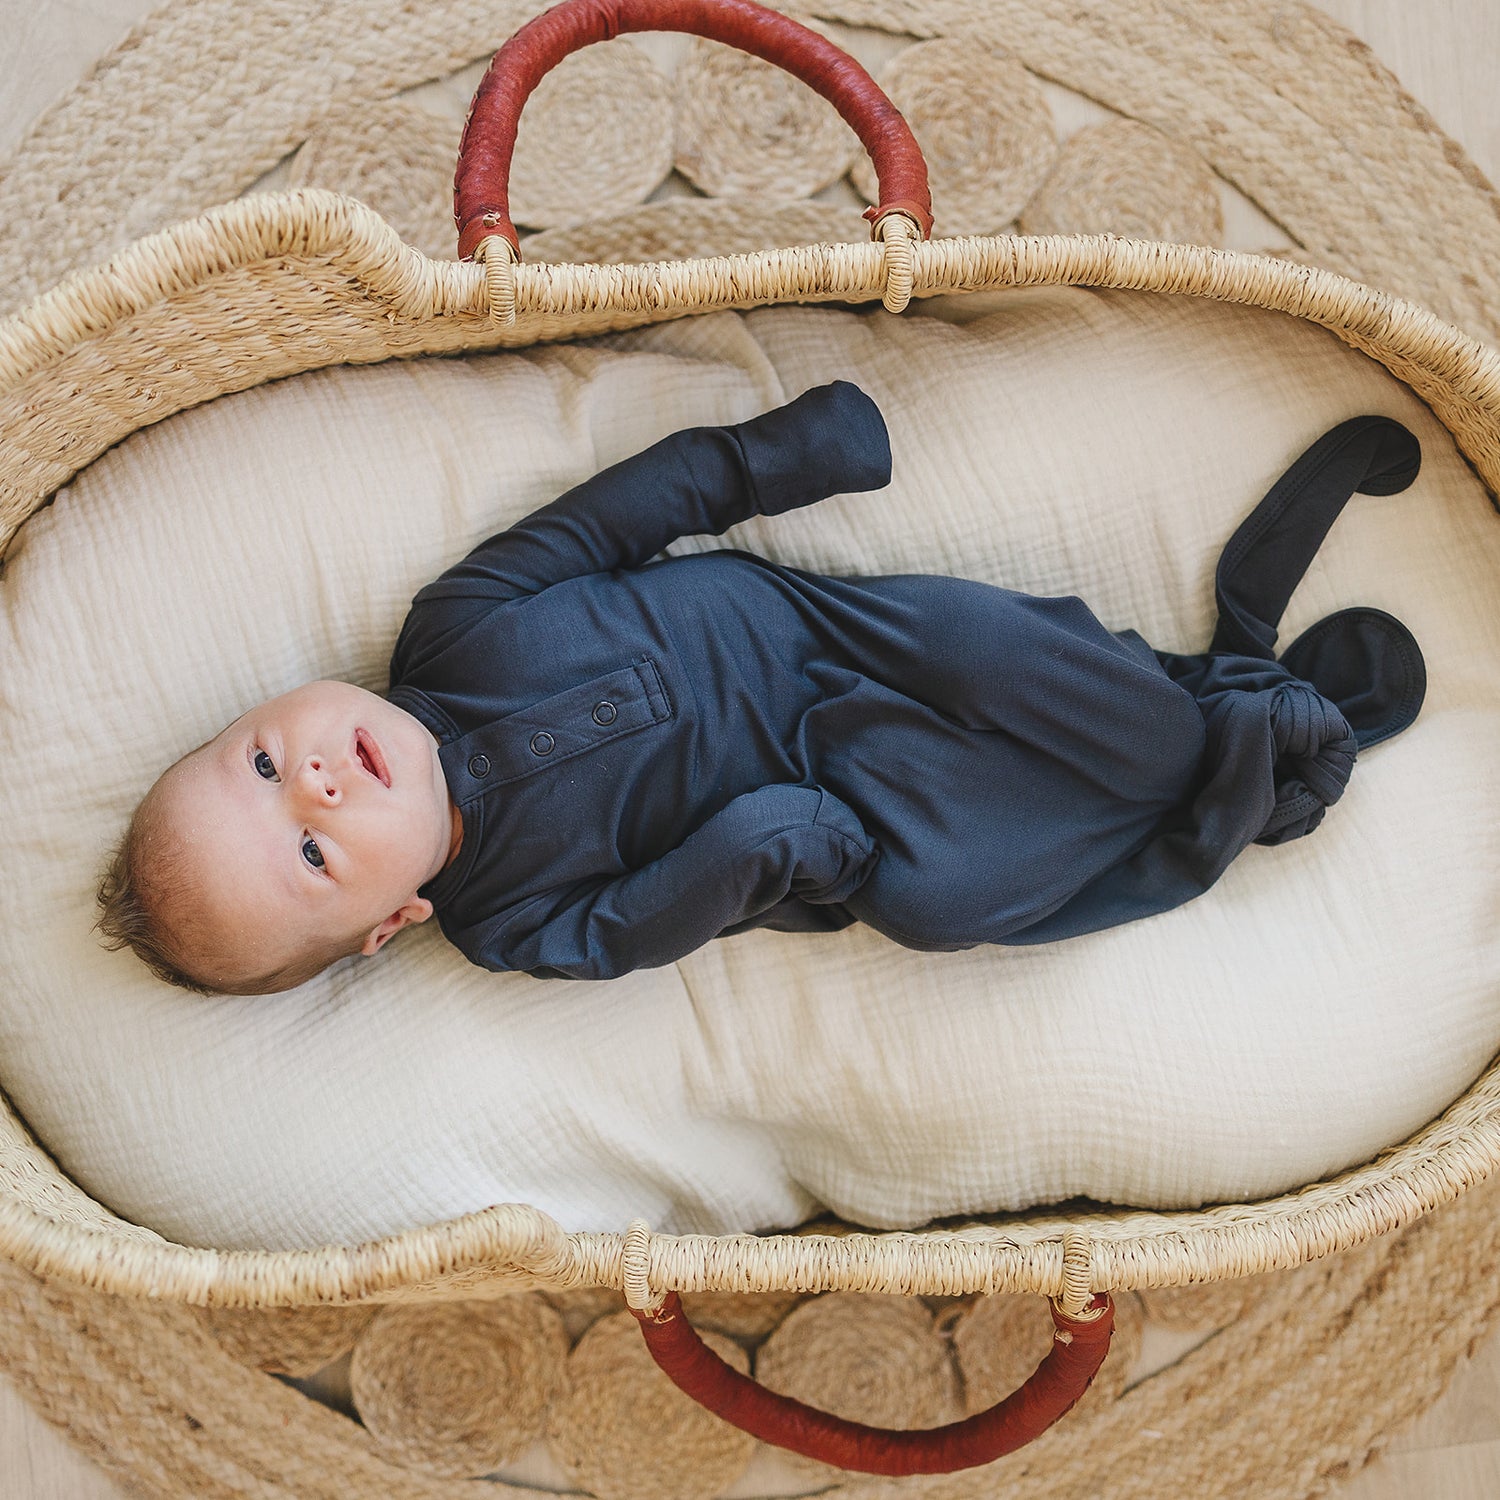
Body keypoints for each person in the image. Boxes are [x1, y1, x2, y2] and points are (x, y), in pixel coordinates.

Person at [95, 381, 1426, 994]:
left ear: (265, 710)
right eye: (316, 853)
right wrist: (767, 842)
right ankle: (1237, 750)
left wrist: (776, 456)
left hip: (845, 641)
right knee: (944, 904)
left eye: (265, 766)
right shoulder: (509, 925)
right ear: (391, 924)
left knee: (997, 650)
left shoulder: (453, 627)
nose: (315, 783)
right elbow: (644, 920)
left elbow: (616, 518)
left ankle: (1217, 714)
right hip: (848, 809)